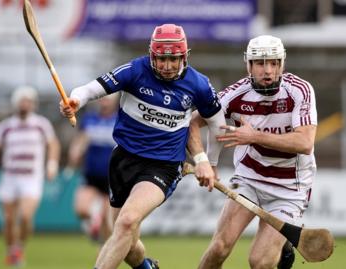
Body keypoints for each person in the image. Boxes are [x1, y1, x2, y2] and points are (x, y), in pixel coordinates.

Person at [60, 23, 225, 269]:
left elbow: (217, 124)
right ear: (152, 55)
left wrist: (209, 163)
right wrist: (76, 100)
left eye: (174, 59)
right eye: (161, 59)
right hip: (123, 160)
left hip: (164, 165)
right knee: (124, 237)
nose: (167, 66)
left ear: (184, 56)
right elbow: (91, 89)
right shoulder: (135, 70)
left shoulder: (198, 84)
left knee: (126, 223)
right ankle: (145, 267)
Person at [188, 35, 317, 269]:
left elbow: (305, 142)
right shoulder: (236, 94)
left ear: (282, 64)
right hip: (249, 179)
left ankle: (283, 246)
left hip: (290, 189)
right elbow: (194, 122)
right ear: (248, 65)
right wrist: (204, 161)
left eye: (274, 63)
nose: (267, 70)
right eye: (260, 63)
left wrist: (254, 135)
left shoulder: (300, 90)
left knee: (259, 261)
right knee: (218, 248)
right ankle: (284, 244)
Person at [0, 85, 61, 267]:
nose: (25, 104)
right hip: (10, 177)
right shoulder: (6, 127)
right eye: (22, 101)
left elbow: (53, 144)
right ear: (16, 103)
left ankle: (19, 247)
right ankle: (11, 251)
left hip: (31, 177)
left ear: (33, 104)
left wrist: (52, 164)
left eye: (29, 101)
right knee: (9, 219)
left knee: (25, 216)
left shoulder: (41, 124)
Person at [66, 93, 119, 243]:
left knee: (107, 223)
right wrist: (75, 152)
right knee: (81, 209)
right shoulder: (90, 119)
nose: (104, 102)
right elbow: (80, 140)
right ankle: (93, 222)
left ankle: (102, 256)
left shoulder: (120, 120)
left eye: (108, 100)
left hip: (112, 177)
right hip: (91, 174)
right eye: (102, 99)